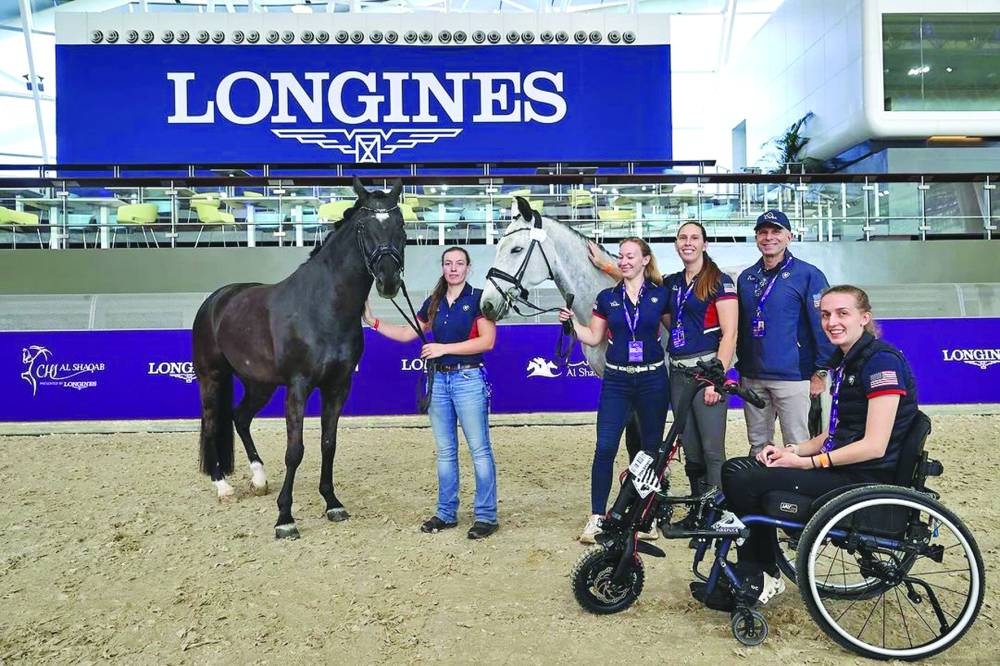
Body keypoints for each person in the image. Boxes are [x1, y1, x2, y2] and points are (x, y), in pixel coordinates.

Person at [701, 285, 918, 607]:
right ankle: (759, 570)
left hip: (864, 478)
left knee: (744, 478)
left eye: (843, 313)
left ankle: (760, 573)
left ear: (864, 318)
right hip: (846, 468)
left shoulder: (881, 363)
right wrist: (793, 450)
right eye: (826, 315)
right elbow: (838, 433)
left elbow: (874, 446)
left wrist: (808, 463)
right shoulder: (847, 360)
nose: (832, 322)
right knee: (740, 467)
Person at [364, 246, 500, 540]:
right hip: (438, 381)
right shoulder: (433, 302)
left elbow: (487, 341)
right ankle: (446, 513)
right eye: (448, 263)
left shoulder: (479, 299)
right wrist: (373, 321)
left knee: (479, 450)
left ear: (468, 268)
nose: (454, 268)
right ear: (443, 267)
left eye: (459, 263)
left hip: (468, 379)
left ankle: (486, 516)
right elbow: (407, 333)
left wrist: (443, 348)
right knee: (446, 452)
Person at [560, 237, 671, 544]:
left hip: (652, 381)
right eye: (621, 256)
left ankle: (646, 517)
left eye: (630, 256)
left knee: (650, 452)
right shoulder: (607, 297)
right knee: (605, 448)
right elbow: (593, 337)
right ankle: (597, 516)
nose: (624, 261)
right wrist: (571, 324)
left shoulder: (660, 295)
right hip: (617, 382)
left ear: (645, 260)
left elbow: (676, 330)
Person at [736, 209, 835, 457]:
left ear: (789, 236)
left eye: (776, 231)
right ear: (756, 238)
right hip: (753, 377)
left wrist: (821, 371)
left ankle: (799, 485)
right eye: (763, 232)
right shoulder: (746, 278)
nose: (769, 237)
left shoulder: (808, 274)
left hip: (793, 377)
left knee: (798, 445)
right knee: (758, 445)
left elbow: (823, 324)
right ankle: (760, 483)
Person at [662, 222, 738, 501]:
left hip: (706, 373)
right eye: (682, 238)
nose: (688, 242)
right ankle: (697, 507)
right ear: (676, 244)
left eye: (694, 238)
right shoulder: (671, 283)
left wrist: (716, 379)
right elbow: (670, 319)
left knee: (711, 449)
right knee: (691, 449)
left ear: (704, 244)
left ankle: (716, 509)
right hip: (678, 374)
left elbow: (730, 334)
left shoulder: (719, 281)